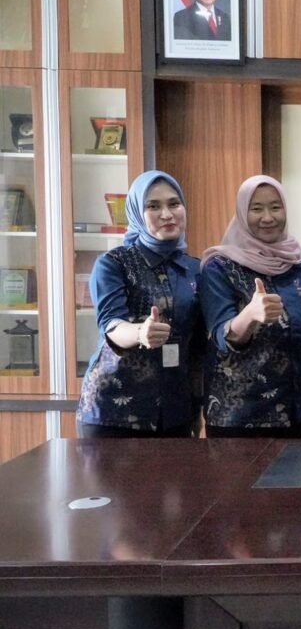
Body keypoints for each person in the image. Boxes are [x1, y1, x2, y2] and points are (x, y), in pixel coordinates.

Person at [76, 171, 202, 437]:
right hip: (114, 411)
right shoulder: (114, 264)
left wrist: (196, 407)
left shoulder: (195, 269)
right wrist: (140, 332)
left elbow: (197, 347)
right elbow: (111, 325)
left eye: (174, 204)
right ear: (136, 213)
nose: (167, 214)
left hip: (174, 411)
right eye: (153, 206)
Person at [200, 175, 301, 438]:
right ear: (242, 214)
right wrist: (250, 316)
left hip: (299, 413)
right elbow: (221, 336)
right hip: (239, 416)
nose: (267, 217)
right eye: (256, 209)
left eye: (275, 207)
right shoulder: (219, 267)